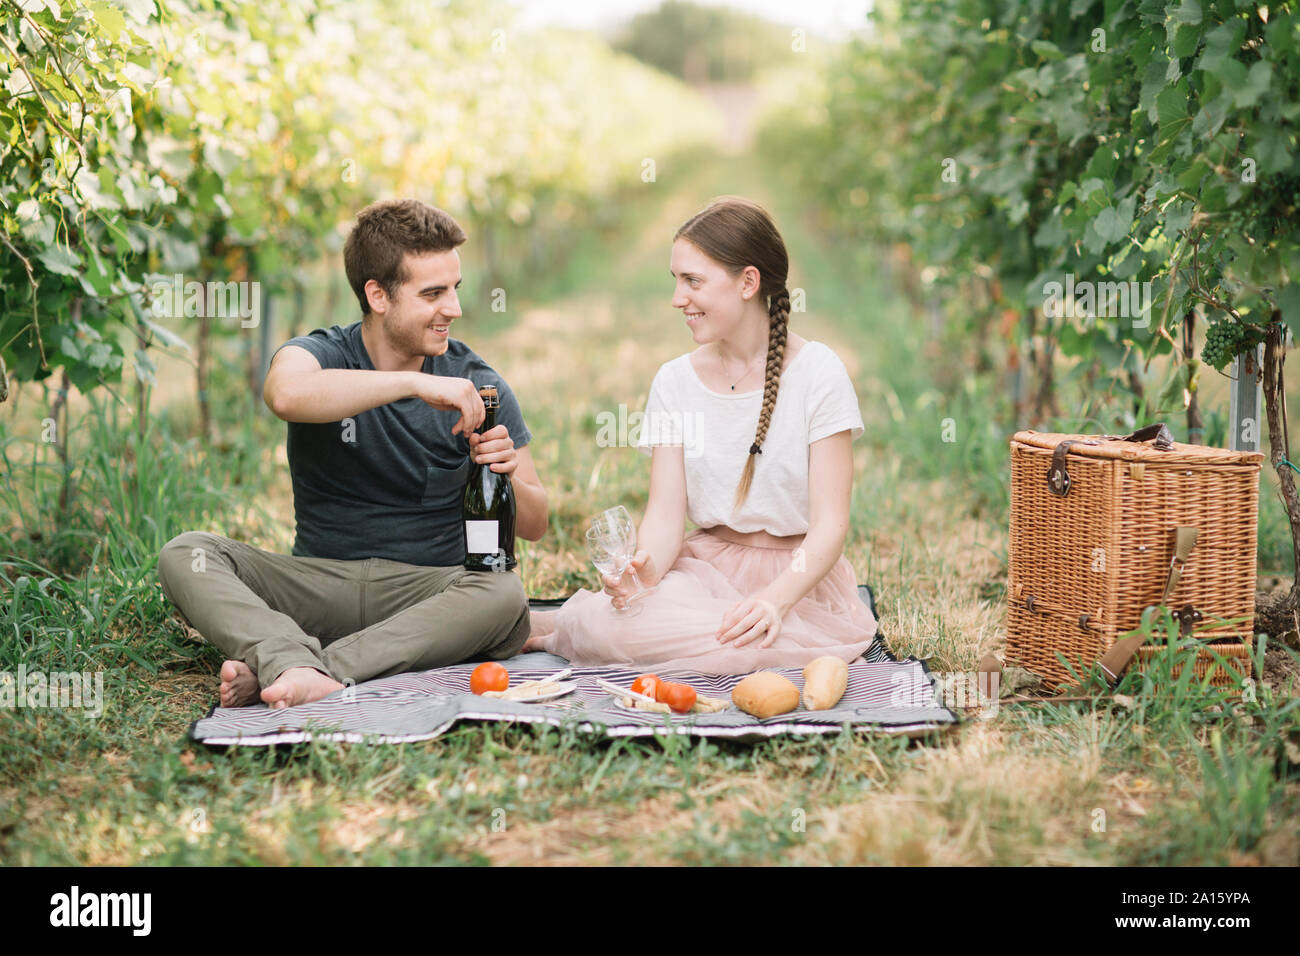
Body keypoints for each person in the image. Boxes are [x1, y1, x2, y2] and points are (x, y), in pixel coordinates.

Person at [157, 199, 548, 709]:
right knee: (188, 554)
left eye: (455, 288)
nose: (453, 308)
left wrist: (503, 470)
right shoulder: (321, 354)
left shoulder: (480, 383)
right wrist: (412, 385)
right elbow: (285, 396)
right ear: (377, 295)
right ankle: (296, 655)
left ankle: (303, 666)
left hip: (427, 596)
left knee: (502, 595)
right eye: (432, 293)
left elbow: (537, 524)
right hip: (318, 587)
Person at [524, 196, 881, 673]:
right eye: (675, 280)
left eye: (693, 281)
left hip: (797, 579)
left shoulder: (819, 374)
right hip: (705, 570)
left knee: (749, 643)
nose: (677, 299)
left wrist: (773, 602)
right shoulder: (674, 381)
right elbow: (666, 516)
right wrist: (643, 574)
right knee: (619, 622)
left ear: (748, 282)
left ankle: (560, 628)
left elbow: (830, 528)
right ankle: (565, 626)